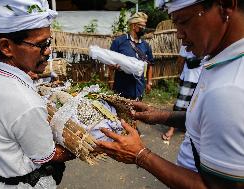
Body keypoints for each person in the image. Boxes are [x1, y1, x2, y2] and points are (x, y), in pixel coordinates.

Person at [96, 0, 244, 188]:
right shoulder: (220, 60)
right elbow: (204, 119)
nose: (180, 35)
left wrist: (140, 155)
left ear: (225, 5)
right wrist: (161, 115)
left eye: (183, 21)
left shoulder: (231, 89)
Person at [0, 0, 74, 188]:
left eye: (48, 42)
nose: (48, 50)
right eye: (41, 44)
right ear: (6, 47)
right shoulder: (26, 103)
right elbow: (48, 155)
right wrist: (82, 147)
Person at [109, 12, 154, 100]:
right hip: (122, 90)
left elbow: (150, 64)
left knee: (137, 113)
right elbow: (110, 64)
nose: (144, 29)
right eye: (142, 26)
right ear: (134, 26)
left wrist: (149, 83)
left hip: (139, 89)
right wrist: (114, 67)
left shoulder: (145, 45)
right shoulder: (119, 42)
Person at [162, 45, 202, 141]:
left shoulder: (210, 40)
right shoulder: (187, 42)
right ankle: (171, 128)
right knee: (179, 105)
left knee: (194, 105)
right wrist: (181, 75)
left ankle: (186, 126)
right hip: (189, 77)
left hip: (202, 79)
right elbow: (180, 61)